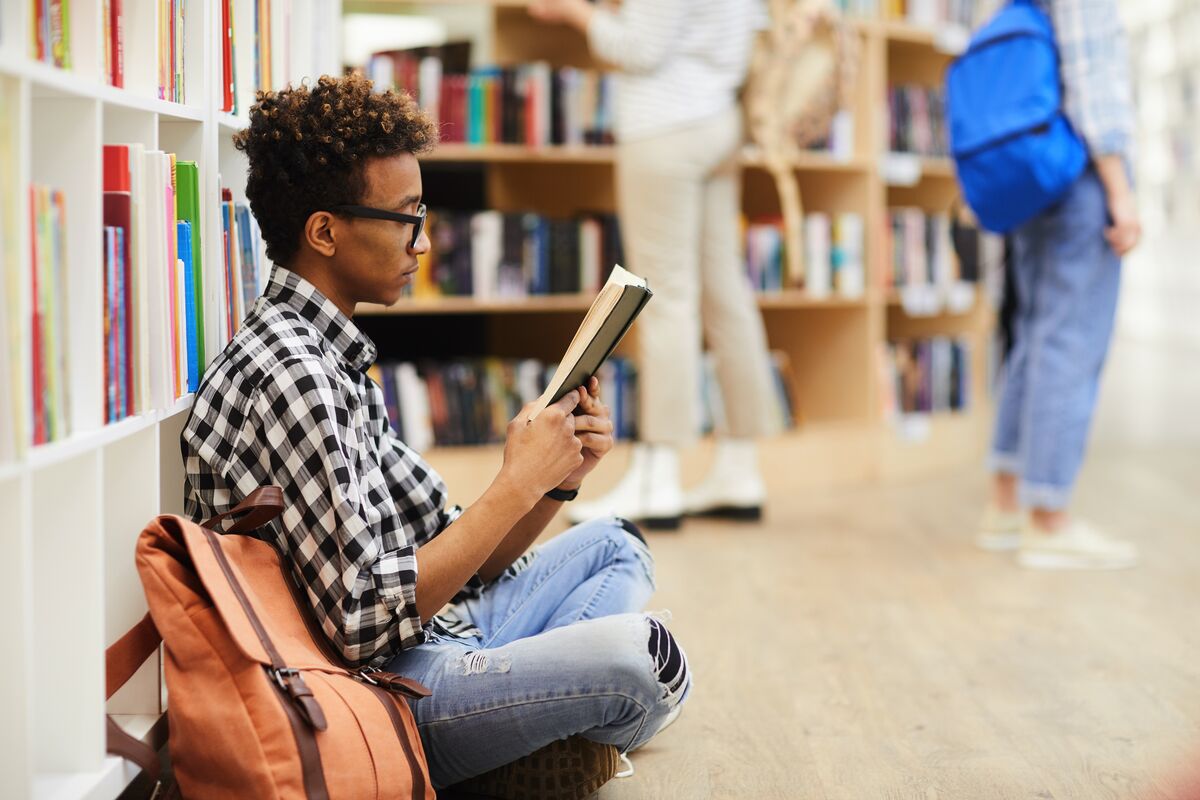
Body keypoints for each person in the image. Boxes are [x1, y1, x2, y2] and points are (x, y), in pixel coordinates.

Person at [181, 74, 690, 796]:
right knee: (640, 656)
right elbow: (361, 623)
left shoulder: (334, 354)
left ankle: (530, 719)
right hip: (382, 692)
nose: (423, 242)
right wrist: (515, 482)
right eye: (406, 217)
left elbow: (468, 557)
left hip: (436, 635)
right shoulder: (295, 374)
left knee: (617, 544)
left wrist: (557, 477)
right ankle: (518, 731)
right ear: (325, 231)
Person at [529, 0, 781, 529]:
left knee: (666, 300)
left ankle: (659, 473)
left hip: (665, 128)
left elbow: (639, 48)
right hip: (718, 123)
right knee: (724, 295)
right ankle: (740, 467)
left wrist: (574, 13)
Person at [977, 0, 1142, 569]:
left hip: (1033, 174)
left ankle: (1004, 507)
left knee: (1034, 337)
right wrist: (1119, 188)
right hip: (1080, 173)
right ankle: (1048, 520)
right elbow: (1092, 76)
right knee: (1070, 341)